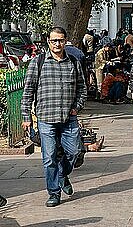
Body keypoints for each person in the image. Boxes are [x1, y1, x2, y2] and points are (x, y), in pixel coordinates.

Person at [21, 26, 86, 207]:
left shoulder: (73, 62)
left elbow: (82, 89)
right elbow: (28, 92)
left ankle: (62, 174)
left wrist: (76, 107)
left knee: (74, 152)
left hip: (68, 118)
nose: (57, 44)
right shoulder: (38, 62)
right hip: (45, 118)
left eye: (60, 40)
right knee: (49, 158)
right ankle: (54, 193)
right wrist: (26, 116)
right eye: (54, 40)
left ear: (65, 41)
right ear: (48, 42)